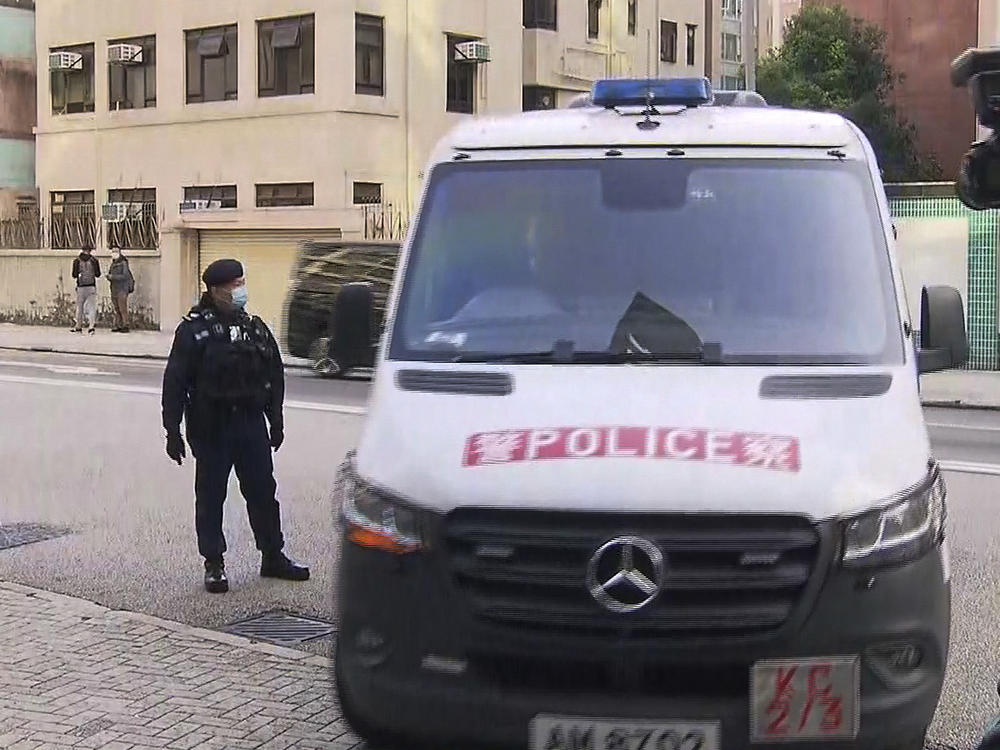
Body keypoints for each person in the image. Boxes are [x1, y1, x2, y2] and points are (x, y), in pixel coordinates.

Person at [161, 258, 309, 593]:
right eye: (234, 285)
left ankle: (272, 555)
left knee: (262, 493)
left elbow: (273, 374)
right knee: (211, 497)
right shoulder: (195, 331)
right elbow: (175, 381)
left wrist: (276, 419)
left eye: (242, 282)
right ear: (215, 291)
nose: (240, 290)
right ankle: (213, 563)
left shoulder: (254, 327)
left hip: (250, 424)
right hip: (212, 426)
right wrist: (172, 429)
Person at [70, 241, 101, 334]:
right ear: (90, 251)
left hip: (81, 287)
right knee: (91, 307)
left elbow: (74, 275)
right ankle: (91, 327)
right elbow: (98, 274)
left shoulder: (77, 261)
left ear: (82, 250)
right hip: (91, 286)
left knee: (80, 307)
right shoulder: (94, 260)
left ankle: (78, 326)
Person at [106, 245, 135, 333]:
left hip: (122, 288)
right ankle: (118, 324)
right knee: (117, 308)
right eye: (113, 251)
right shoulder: (113, 263)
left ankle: (125, 325)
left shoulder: (123, 263)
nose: (114, 253)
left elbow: (125, 276)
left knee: (122, 308)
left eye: (116, 251)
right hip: (114, 288)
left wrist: (113, 277)